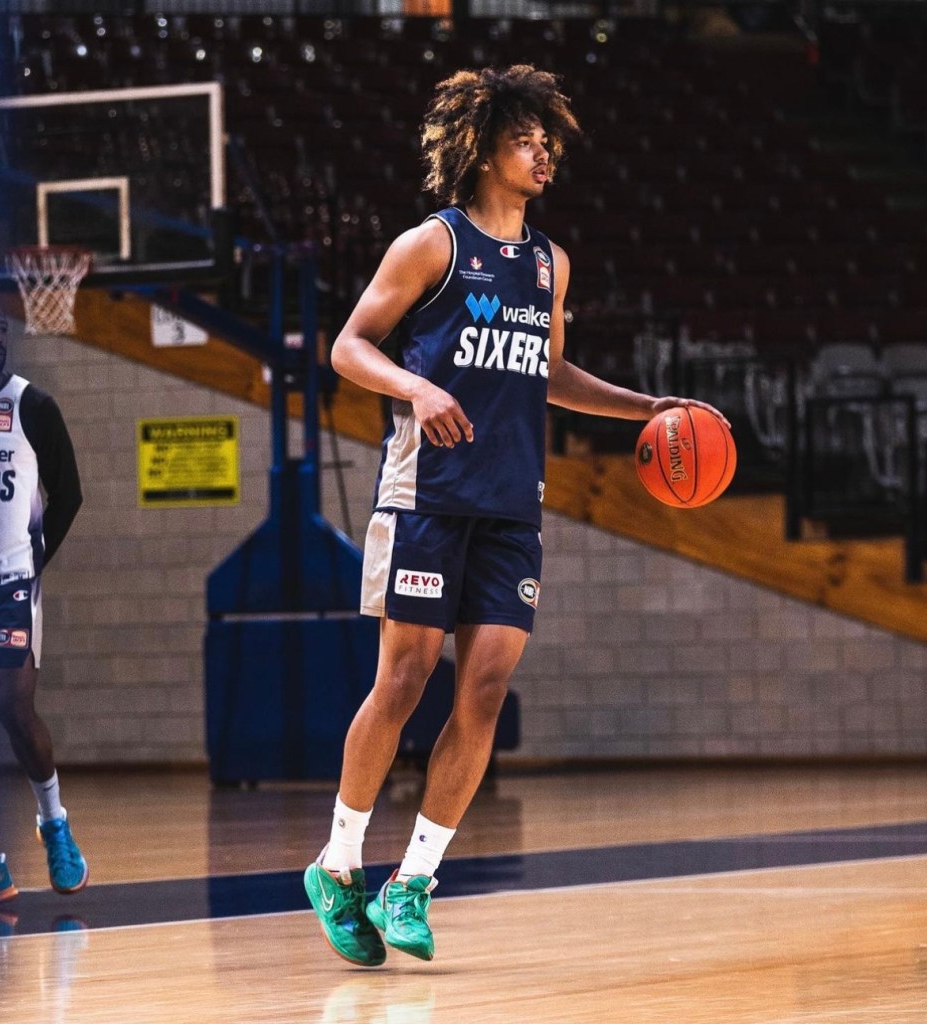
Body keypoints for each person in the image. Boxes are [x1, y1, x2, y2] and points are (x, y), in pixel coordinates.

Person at [303, 65, 728, 965]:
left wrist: (645, 407)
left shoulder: (547, 262)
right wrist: (415, 387)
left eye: (547, 142)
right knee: (404, 679)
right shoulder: (431, 245)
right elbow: (346, 346)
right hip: (426, 493)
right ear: (482, 149)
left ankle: (411, 882)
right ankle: (337, 864)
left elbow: (550, 372)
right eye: (525, 141)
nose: (543, 155)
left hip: (508, 502)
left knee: (487, 688)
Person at [0, 300, 88, 905]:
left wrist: (38, 560)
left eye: (1, 327)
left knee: (12, 707)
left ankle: (53, 821)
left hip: (11, 583)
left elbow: (70, 494)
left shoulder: (32, 406)